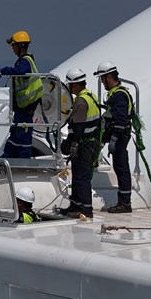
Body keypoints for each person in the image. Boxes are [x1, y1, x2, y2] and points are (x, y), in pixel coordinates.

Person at [59, 68, 101, 219]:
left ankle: (85, 209)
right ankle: (75, 205)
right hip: (91, 142)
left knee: (81, 176)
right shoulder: (91, 96)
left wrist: (72, 143)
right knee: (78, 175)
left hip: (84, 143)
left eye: (70, 85)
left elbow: (78, 127)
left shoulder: (81, 101)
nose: (69, 88)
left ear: (75, 85)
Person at [93, 61, 134, 213]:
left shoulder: (119, 96)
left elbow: (120, 121)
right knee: (119, 167)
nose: (102, 82)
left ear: (109, 77)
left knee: (121, 168)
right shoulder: (116, 94)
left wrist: (114, 139)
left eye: (103, 79)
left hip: (120, 136)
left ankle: (125, 203)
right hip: (117, 136)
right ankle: (124, 201)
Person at [0, 31, 44, 159]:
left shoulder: (25, 61)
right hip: (23, 105)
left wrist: (5, 70)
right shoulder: (25, 59)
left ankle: (24, 159)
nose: (13, 48)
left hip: (27, 104)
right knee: (16, 130)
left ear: (20, 46)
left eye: (14, 45)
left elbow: (22, 71)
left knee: (23, 131)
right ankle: (8, 155)